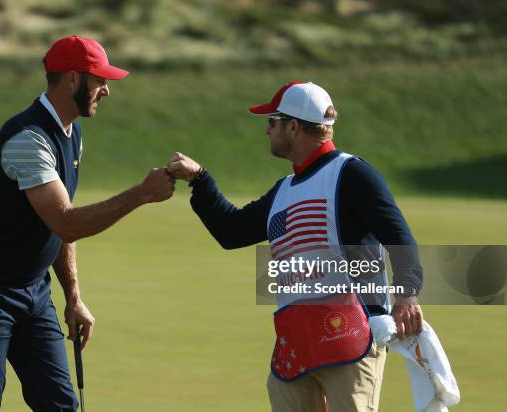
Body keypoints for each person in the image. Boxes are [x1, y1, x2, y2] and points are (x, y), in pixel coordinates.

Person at [0, 35, 174, 411]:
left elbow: (59, 222)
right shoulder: (27, 139)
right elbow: (67, 223)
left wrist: (74, 296)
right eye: (99, 80)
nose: (106, 90)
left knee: (61, 406)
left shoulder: (72, 132)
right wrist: (142, 194)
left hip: (33, 293)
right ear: (71, 79)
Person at [167, 82, 424, 411]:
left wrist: (407, 295)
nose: (267, 130)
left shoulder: (352, 173)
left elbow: (399, 237)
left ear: (293, 126)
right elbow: (231, 232)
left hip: (352, 337)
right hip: (297, 342)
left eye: (272, 122)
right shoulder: (285, 189)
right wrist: (200, 180)